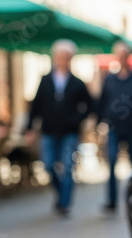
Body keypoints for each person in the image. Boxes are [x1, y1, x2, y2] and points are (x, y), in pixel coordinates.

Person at [26, 39, 92, 216]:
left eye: (66, 58)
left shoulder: (78, 83)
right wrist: (30, 127)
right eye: (60, 57)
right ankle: (61, 191)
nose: (63, 61)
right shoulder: (46, 80)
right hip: (49, 130)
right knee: (48, 165)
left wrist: (77, 120)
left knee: (68, 166)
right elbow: (36, 105)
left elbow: (90, 106)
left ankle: (64, 204)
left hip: (70, 132)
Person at [97, 41, 132, 212]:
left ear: (128, 57)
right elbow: (102, 102)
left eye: (124, 55)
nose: (121, 58)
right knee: (111, 160)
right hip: (114, 127)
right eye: (119, 55)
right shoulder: (110, 79)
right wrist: (100, 122)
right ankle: (112, 200)